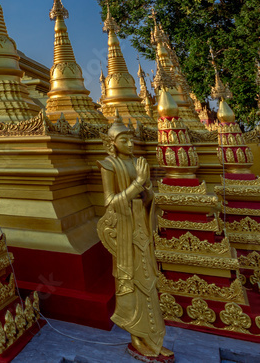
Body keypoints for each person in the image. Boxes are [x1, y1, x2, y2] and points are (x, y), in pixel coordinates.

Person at [98, 117, 172, 360]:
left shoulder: (137, 162)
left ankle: (153, 338)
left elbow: (148, 199)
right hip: (125, 230)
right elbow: (109, 202)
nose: (130, 143)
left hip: (141, 228)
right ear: (112, 143)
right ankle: (137, 337)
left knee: (149, 281)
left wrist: (147, 188)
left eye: (131, 139)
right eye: (124, 140)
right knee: (131, 282)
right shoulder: (109, 165)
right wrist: (137, 184)